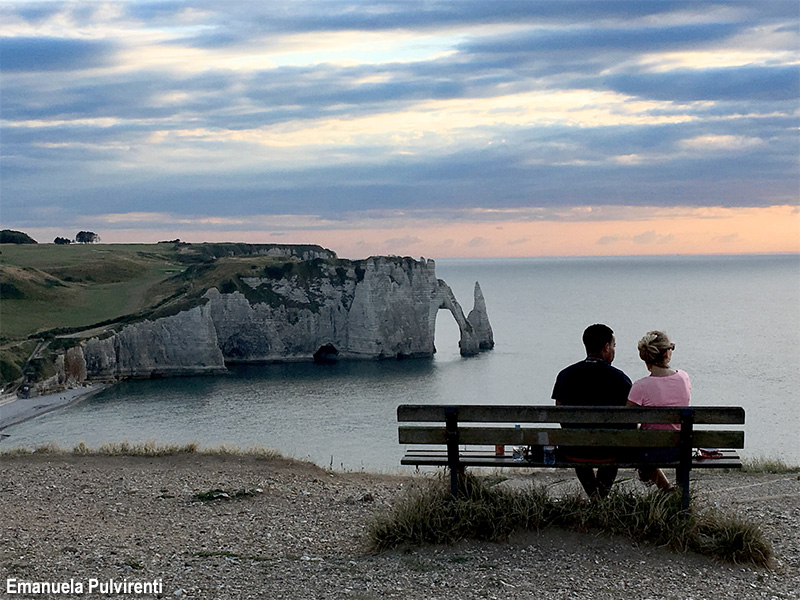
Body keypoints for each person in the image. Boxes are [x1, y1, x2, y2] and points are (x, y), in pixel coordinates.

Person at [552, 324, 632, 499]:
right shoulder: (620, 379)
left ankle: (596, 498)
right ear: (606, 347)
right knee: (614, 443)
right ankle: (600, 498)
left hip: (575, 449)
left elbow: (560, 414)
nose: (614, 350)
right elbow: (629, 420)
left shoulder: (565, 375)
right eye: (614, 346)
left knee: (577, 439)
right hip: (610, 451)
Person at [627, 330, 691, 491]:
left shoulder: (639, 387)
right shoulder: (684, 378)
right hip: (680, 449)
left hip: (651, 452)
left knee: (638, 437)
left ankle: (664, 487)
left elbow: (627, 420)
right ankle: (672, 493)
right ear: (667, 354)